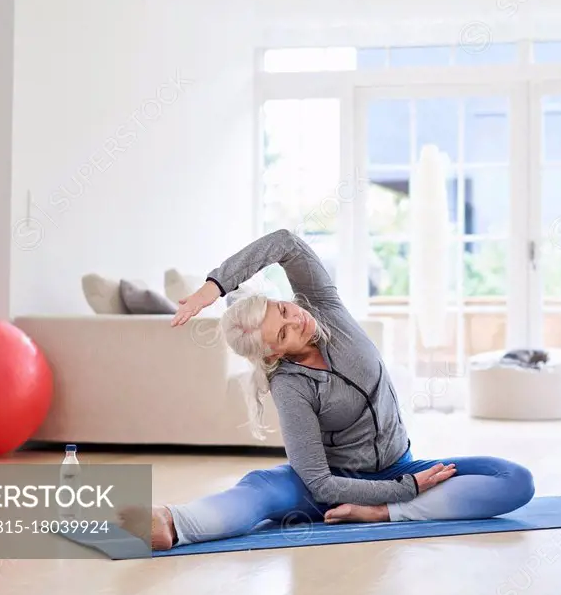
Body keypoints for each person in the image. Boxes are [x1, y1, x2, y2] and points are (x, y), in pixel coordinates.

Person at [143, 229, 535, 550]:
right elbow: (319, 483)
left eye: (282, 309)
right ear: (273, 353)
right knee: (262, 491)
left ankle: (381, 515)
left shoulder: (325, 310)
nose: (296, 319)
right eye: (283, 331)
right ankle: (171, 521)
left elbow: (286, 242)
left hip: (400, 465)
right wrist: (410, 489)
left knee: (514, 479)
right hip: (333, 484)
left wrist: (216, 285)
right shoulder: (289, 387)